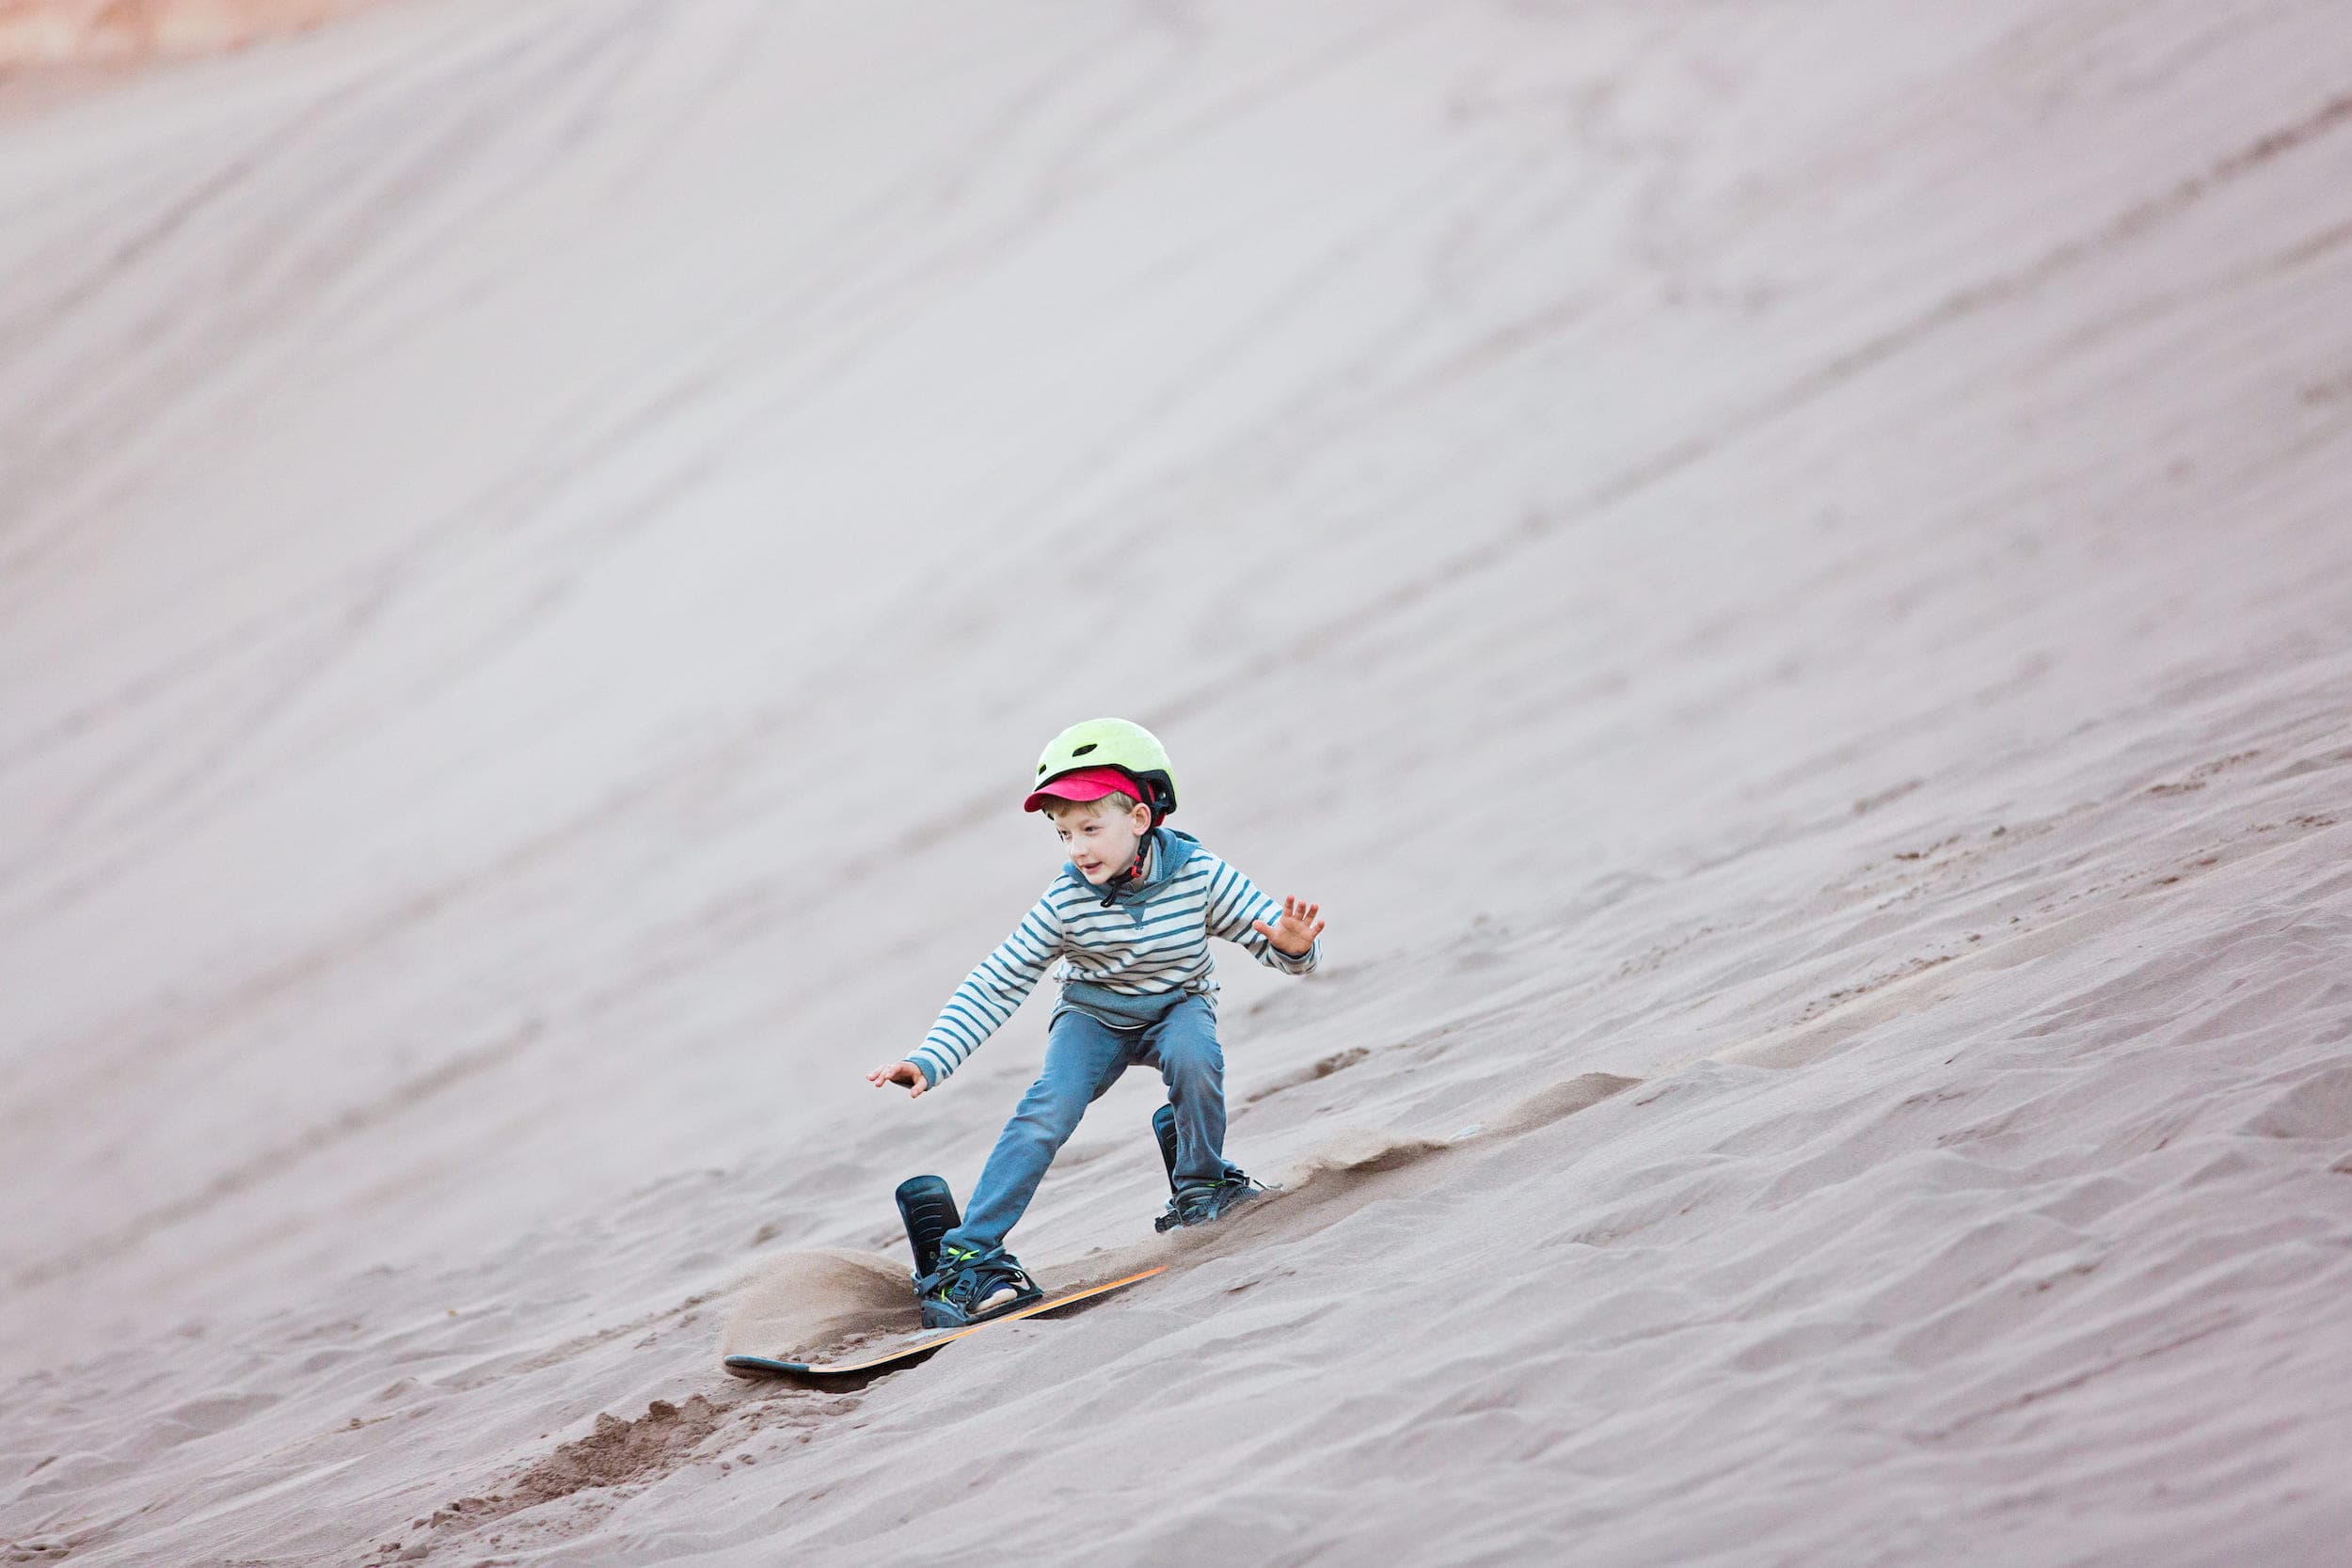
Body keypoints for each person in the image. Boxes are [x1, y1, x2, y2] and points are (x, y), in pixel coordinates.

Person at [866, 718, 1327, 1327]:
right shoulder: (1066, 902)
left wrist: (1294, 947)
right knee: (1047, 1110)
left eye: (1089, 828)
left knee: (1197, 1059)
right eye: (1062, 834)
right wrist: (930, 1057)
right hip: (1093, 1018)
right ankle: (966, 1256)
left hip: (1176, 1007)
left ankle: (1201, 1184)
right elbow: (996, 980)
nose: (1076, 847)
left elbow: (1274, 938)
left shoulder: (1200, 875)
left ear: (1139, 818)